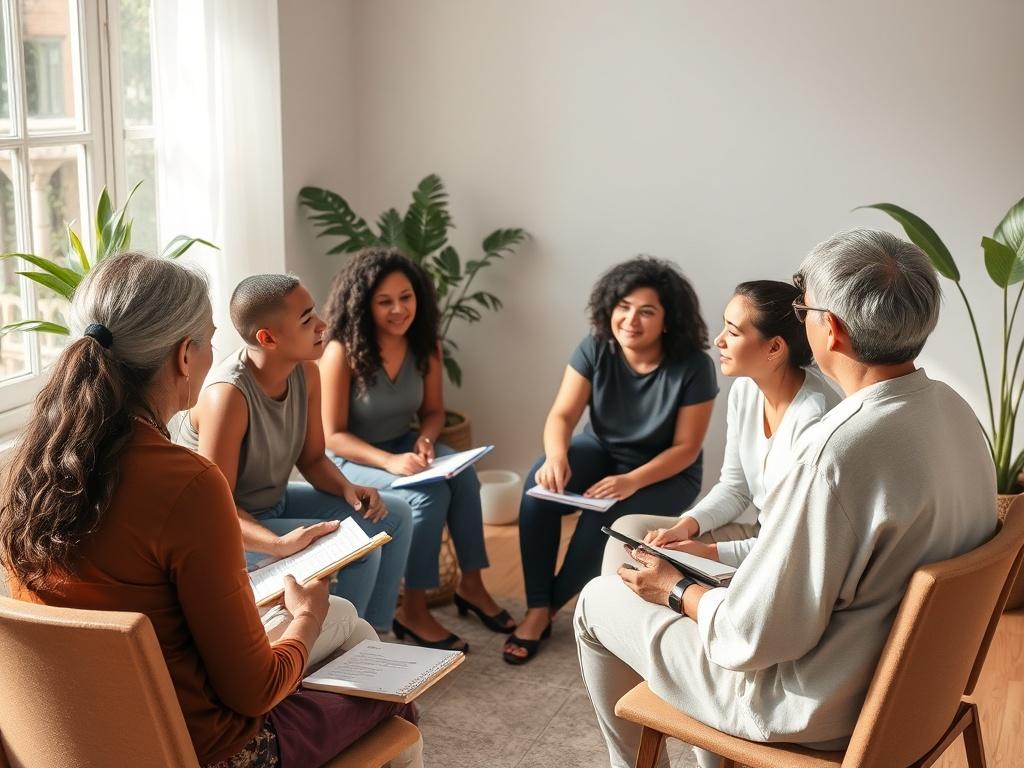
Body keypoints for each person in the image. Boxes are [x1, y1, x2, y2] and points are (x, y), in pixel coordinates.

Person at [574, 229, 997, 768]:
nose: (800, 316)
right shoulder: (954, 410)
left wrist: (676, 590)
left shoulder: (836, 452)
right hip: (911, 690)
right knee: (644, 568)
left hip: (811, 704)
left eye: (805, 306)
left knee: (596, 600)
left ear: (832, 330)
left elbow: (752, 637)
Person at [0, 253, 420, 768]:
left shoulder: (34, 466)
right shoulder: (188, 483)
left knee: (348, 623)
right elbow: (255, 692)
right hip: (202, 748)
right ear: (183, 355)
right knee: (385, 680)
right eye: (210, 336)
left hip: (78, 738)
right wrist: (305, 620)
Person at [507, 256, 718, 664]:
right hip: (602, 450)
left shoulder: (694, 366)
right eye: (623, 307)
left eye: (646, 311)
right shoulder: (595, 346)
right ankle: (536, 607)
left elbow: (685, 449)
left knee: (601, 525)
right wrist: (555, 456)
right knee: (538, 488)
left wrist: (632, 480)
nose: (630, 320)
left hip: (664, 470)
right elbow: (563, 415)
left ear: (668, 319)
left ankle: (546, 609)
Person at [178, 274, 413, 635]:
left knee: (396, 513)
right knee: (363, 552)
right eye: (307, 319)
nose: (322, 324)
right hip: (230, 530)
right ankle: (343, 647)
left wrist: (347, 488)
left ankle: (374, 636)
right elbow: (216, 507)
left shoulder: (306, 371)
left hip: (273, 503)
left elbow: (314, 459)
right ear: (268, 338)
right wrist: (277, 545)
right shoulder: (228, 396)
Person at [320, 248, 512, 652]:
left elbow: (434, 411)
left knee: (463, 474)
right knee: (428, 493)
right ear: (362, 304)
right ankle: (413, 609)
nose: (398, 309)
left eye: (406, 297)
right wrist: (390, 462)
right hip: (350, 458)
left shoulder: (425, 346)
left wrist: (425, 438)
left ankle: (472, 585)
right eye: (384, 301)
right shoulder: (341, 352)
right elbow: (332, 435)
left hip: (403, 444)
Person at [600, 280, 841, 575]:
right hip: (760, 536)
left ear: (775, 347)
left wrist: (710, 553)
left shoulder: (813, 419)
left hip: (788, 559)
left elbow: (795, 541)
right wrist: (686, 525)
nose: (719, 340)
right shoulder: (745, 390)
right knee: (628, 530)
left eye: (734, 331)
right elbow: (735, 488)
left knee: (654, 565)